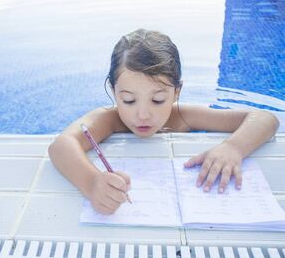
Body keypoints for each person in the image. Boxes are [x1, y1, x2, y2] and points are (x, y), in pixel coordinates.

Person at [48, 29, 279, 215]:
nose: (143, 115)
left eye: (158, 100)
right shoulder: (109, 119)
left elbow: (265, 119)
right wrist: (92, 182)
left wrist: (233, 147)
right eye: (128, 100)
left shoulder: (182, 116)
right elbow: (62, 145)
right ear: (113, 90)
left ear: (176, 92)